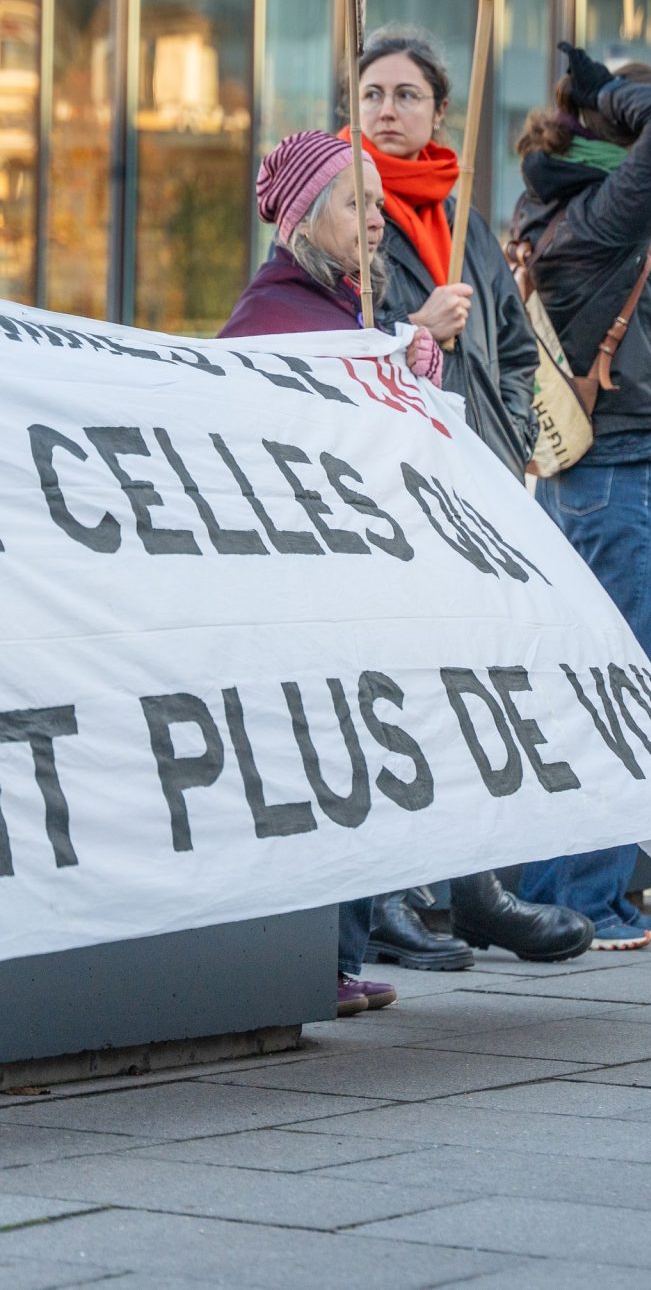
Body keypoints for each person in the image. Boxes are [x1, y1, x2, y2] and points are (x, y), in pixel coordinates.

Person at [348, 29, 587, 970]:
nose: (387, 111)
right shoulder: (335, 207)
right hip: (386, 490)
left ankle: (476, 887)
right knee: (396, 685)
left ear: (439, 111)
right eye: (372, 94)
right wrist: (412, 325)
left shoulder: (463, 220)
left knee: (471, 682)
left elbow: (516, 348)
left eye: (406, 95)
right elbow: (319, 339)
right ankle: (389, 896)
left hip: (475, 484)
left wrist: (511, 443)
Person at [219, 130, 445, 1016]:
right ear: (303, 219)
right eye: (359, 204)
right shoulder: (274, 313)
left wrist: (407, 361)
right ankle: (310, 961)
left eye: (381, 206)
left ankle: (341, 958)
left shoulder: (350, 309)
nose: (377, 222)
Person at [509, 44, 651, 950]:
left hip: (592, 463)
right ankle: (594, 896)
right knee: (616, 681)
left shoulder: (558, 202)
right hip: (622, 465)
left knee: (581, 678)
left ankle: (555, 887)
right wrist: (614, 91)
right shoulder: (603, 210)